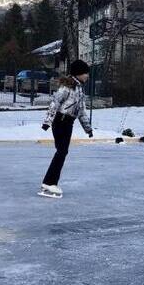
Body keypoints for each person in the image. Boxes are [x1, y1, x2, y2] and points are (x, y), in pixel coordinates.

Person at [39, 60, 94, 198]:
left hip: (69, 123)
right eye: (85, 72)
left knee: (62, 152)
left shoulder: (80, 89)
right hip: (60, 121)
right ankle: (49, 182)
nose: (87, 75)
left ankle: (49, 182)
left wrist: (88, 129)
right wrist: (48, 121)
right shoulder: (67, 87)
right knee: (62, 152)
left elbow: (81, 111)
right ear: (79, 73)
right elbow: (55, 103)